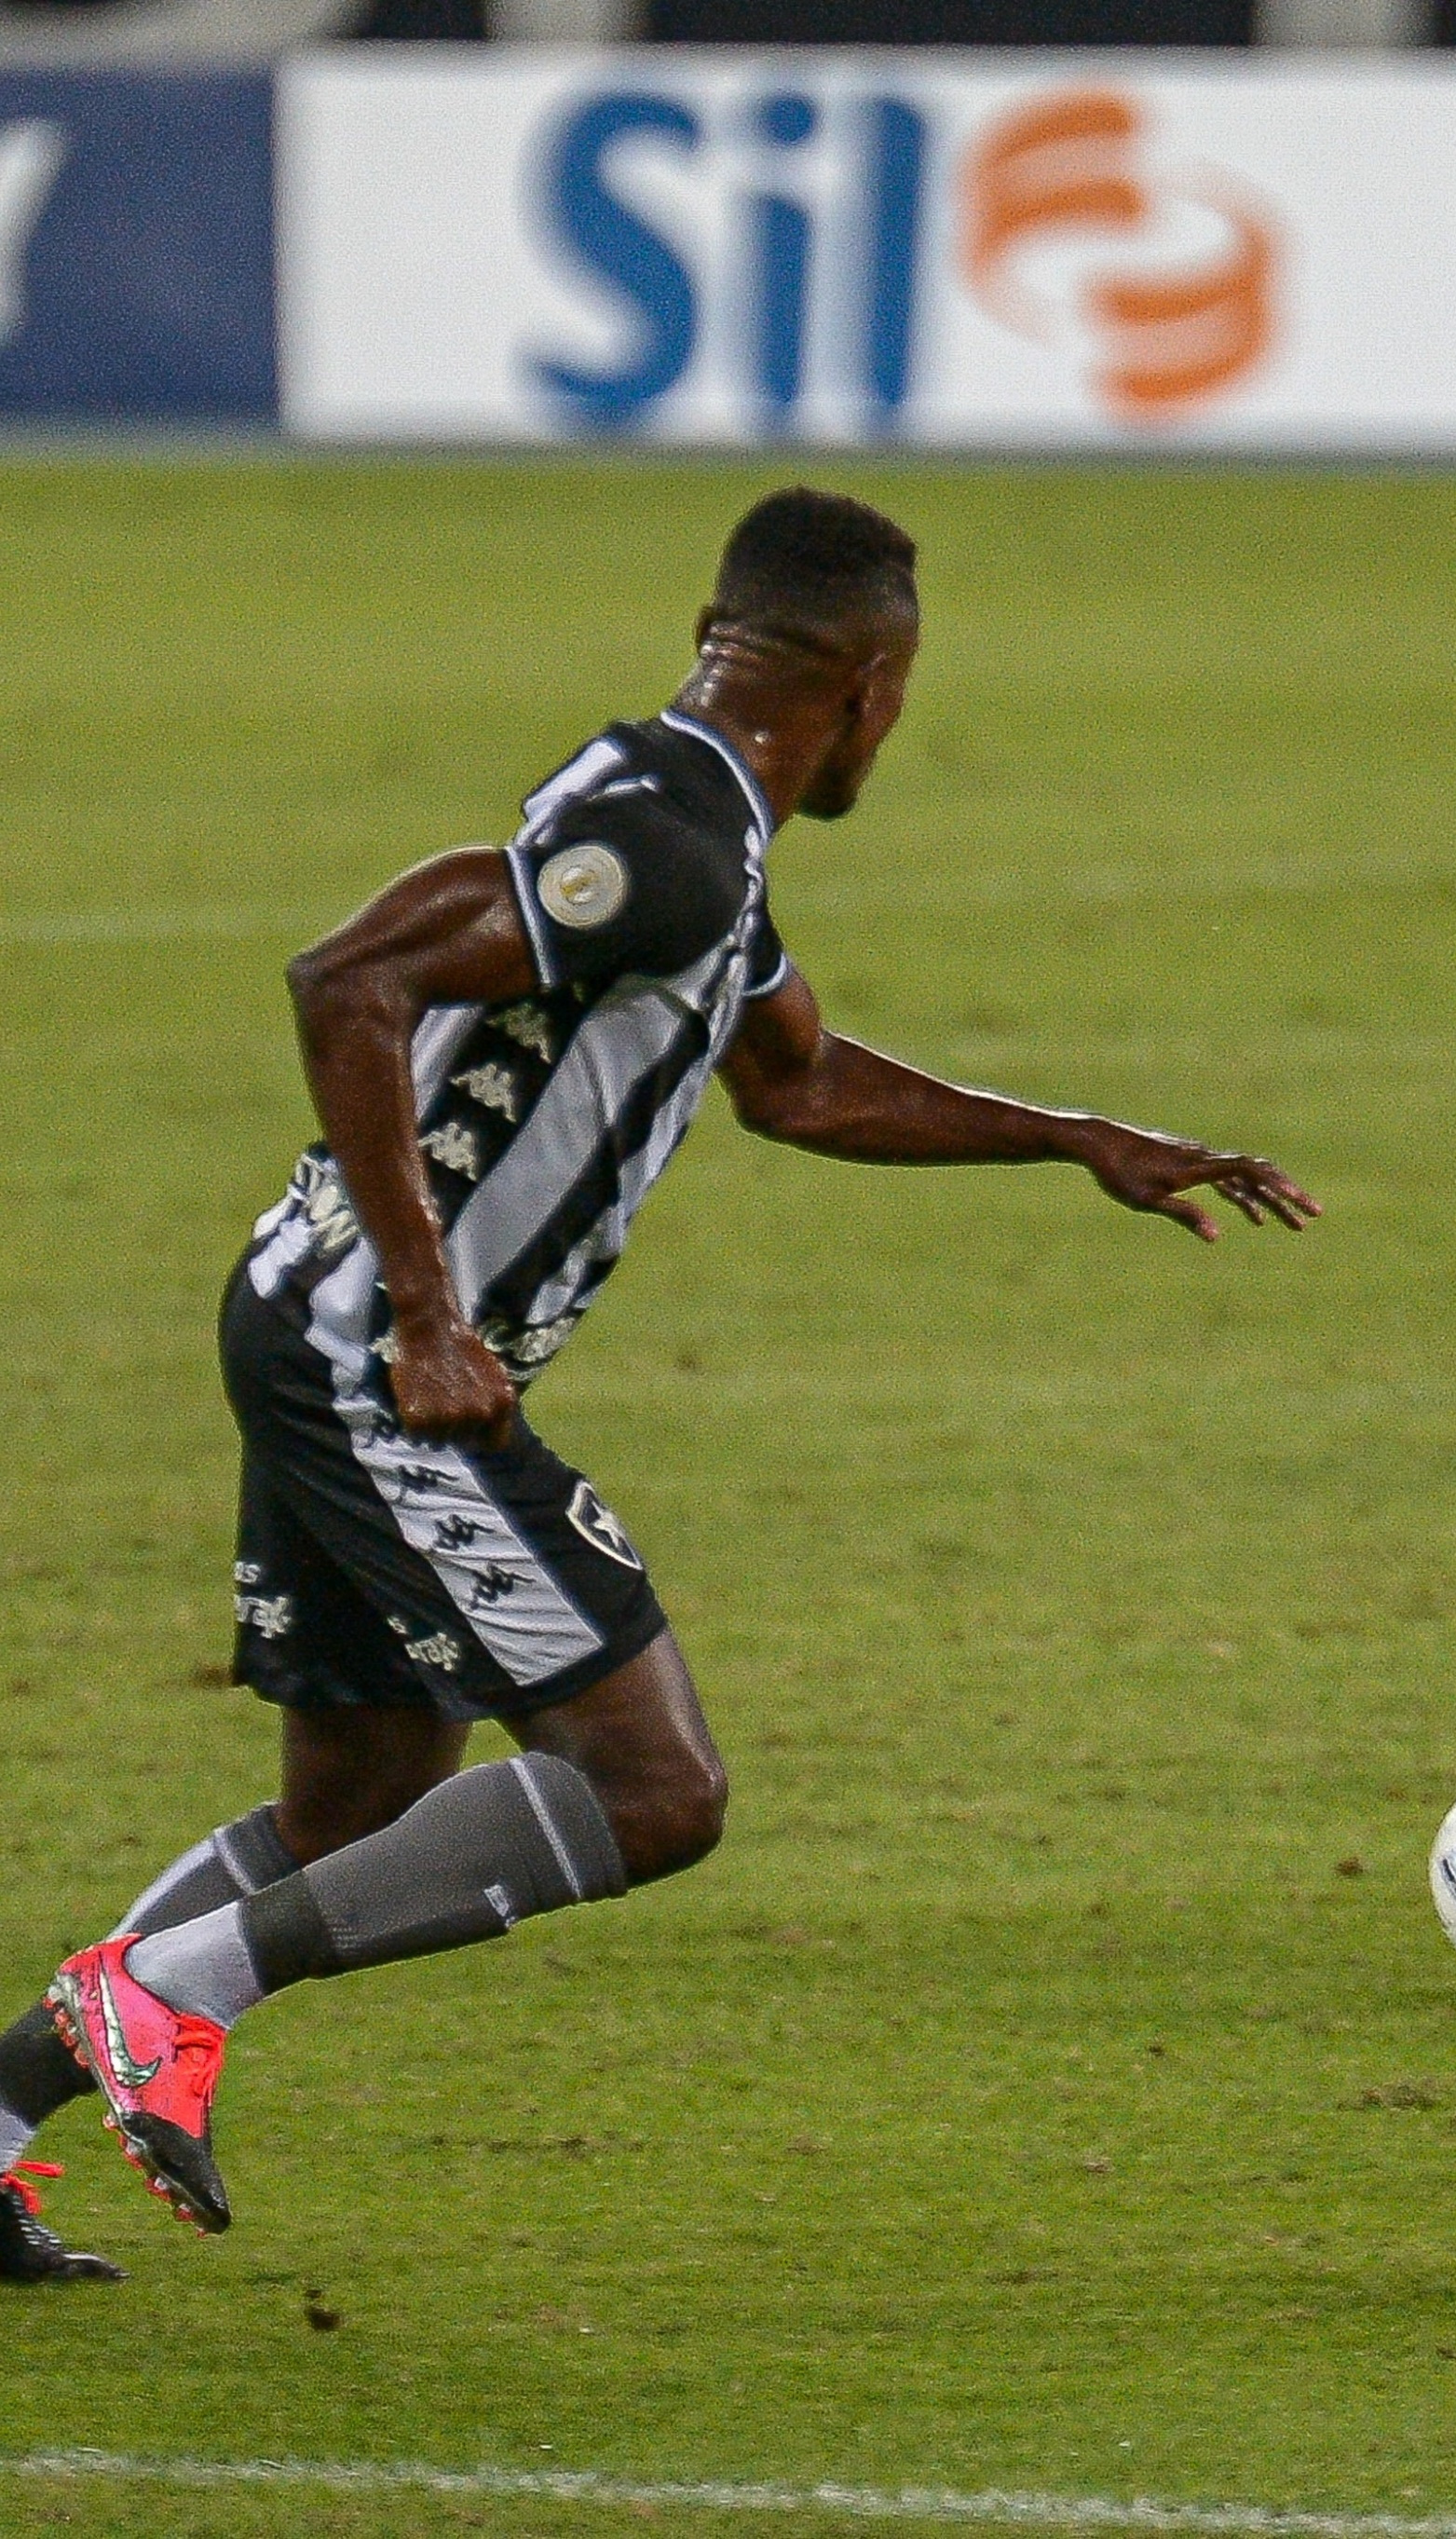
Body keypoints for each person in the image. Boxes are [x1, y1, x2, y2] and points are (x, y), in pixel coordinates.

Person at [0, 488, 1315, 2281]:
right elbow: (350, 981)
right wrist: (427, 1308)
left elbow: (802, 1082)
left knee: (359, 1803)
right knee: (652, 1788)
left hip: (323, 1329)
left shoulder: (696, 832)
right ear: (865, 688)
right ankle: (160, 1990)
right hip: (369, 1361)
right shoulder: (673, 841)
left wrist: (1076, 1139)